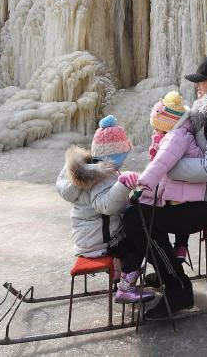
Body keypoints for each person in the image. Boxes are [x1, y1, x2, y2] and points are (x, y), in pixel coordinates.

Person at [121, 55, 207, 319]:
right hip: (205, 198)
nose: (197, 86)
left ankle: (178, 287)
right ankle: (167, 268)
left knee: (138, 218)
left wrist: (165, 168)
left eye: (202, 81)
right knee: (141, 210)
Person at [55, 116, 153, 303]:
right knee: (139, 245)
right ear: (115, 157)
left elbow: (100, 210)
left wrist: (129, 199)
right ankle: (125, 287)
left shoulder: (83, 172)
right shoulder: (102, 176)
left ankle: (118, 273)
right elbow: (105, 206)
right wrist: (123, 185)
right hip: (102, 242)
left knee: (130, 235)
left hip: (86, 240)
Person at [141, 90, 207, 262]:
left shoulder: (176, 137)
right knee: (162, 203)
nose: (155, 129)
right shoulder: (178, 133)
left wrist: (143, 184)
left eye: (157, 126)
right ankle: (179, 248)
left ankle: (175, 250)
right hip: (185, 186)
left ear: (167, 124)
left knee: (154, 209)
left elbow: (161, 163)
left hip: (184, 188)